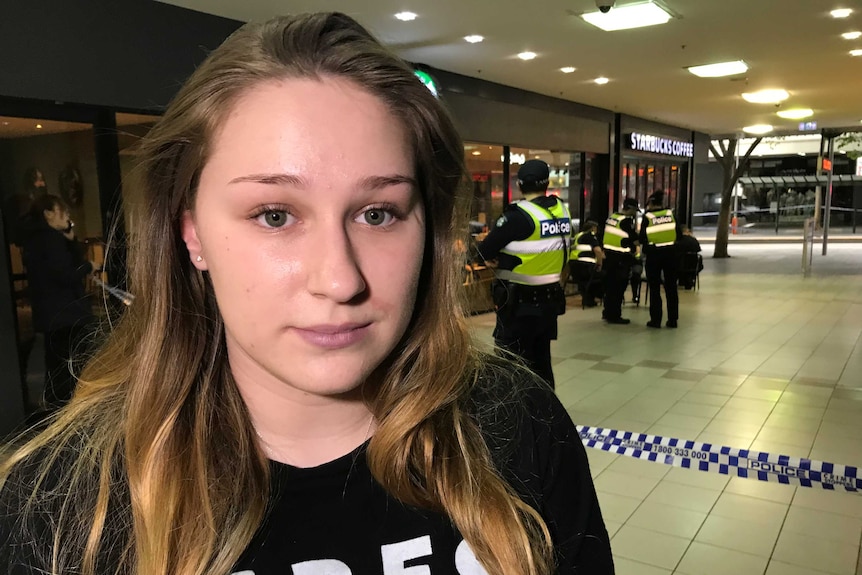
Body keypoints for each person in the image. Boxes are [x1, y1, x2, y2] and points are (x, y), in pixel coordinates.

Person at [0, 13, 613, 575]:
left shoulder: (518, 430)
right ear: (192, 233)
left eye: (377, 213)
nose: (341, 280)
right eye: (273, 215)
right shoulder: (63, 510)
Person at [478, 159, 571, 389]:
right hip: (549, 301)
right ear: (547, 183)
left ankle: (516, 419)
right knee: (541, 364)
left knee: (510, 366)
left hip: (518, 306)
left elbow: (483, 251)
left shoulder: (518, 216)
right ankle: (548, 416)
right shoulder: (561, 211)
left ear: (520, 185)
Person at [19, 193, 98, 408]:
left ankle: (56, 409)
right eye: (62, 212)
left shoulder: (34, 242)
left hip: (51, 315)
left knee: (56, 365)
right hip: (67, 314)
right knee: (70, 366)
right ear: (48, 214)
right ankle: (66, 409)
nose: (66, 217)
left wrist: (70, 240)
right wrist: (88, 267)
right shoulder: (50, 240)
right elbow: (65, 275)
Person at [640, 190, 682, 328]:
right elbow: (679, 235)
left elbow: (642, 238)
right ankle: (673, 320)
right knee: (671, 288)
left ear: (651, 203)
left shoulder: (648, 217)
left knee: (654, 288)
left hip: (654, 255)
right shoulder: (670, 214)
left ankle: (656, 320)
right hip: (671, 254)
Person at [601, 197, 640, 324]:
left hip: (608, 256)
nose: (635, 213)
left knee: (610, 287)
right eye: (635, 210)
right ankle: (614, 315)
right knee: (618, 288)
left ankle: (607, 312)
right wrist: (635, 246)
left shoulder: (612, 218)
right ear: (630, 209)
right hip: (620, 259)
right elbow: (633, 238)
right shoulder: (626, 221)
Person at [569, 219, 604, 307]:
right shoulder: (590, 236)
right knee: (604, 275)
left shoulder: (577, 236)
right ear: (592, 228)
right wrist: (600, 264)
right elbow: (598, 251)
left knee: (584, 281)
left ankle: (587, 299)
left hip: (574, 267)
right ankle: (595, 297)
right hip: (586, 267)